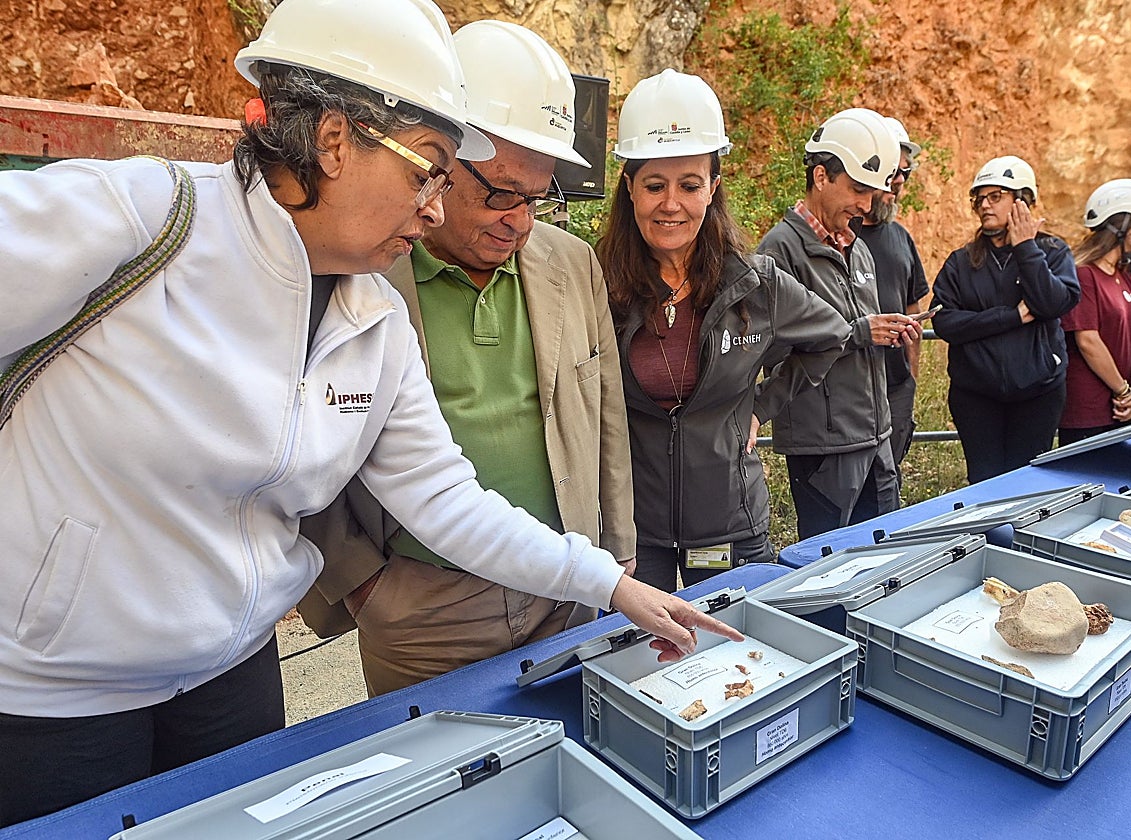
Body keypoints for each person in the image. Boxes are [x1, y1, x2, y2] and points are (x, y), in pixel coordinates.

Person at [0, 0, 739, 825]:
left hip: (231, 682)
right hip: (53, 698)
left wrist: (609, 584)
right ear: (334, 140)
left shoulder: (372, 320)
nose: (435, 208)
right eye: (428, 170)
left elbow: (445, 499)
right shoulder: (137, 222)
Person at [297, 21, 637, 695]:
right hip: (420, 608)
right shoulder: (357, 270)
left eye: (537, 197)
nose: (521, 220)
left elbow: (606, 419)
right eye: (500, 193)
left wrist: (616, 558)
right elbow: (304, 434)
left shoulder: (573, 265)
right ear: (441, 158)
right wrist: (363, 584)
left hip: (564, 592)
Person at [596, 69, 851, 592]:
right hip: (631, 530)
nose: (671, 203)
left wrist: (761, 407)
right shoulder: (598, 284)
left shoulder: (754, 284)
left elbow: (832, 334)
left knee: (730, 639)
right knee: (639, 642)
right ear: (630, 188)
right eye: (654, 185)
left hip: (730, 526)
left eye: (689, 185)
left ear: (713, 188)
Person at [757, 107, 922, 541]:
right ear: (821, 177)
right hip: (823, 448)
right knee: (827, 564)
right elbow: (773, 352)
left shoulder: (858, 248)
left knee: (883, 558)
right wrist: (860, 332)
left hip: (875, 441)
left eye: (872, 192)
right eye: (858, 189)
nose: (866, 205)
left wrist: (886, 332)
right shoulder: (779, 252)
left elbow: (858, 329)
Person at [930, 156, 1080, 482]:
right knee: (983, 482)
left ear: (1022, 200)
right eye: (979, 199)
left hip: (1038, 394)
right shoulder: (961, 262)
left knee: (1026, 483)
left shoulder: (1052, 252)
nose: (985, 205)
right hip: (976, 396)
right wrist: (1010, 317)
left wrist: (1026, 247)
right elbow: (944, 322)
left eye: (995, 196)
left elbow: (1055, 303)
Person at [1058, 179, 1131, 444]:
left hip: (1121, 407)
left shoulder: (1122, 274)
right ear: (1124, 226)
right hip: (1089, 411)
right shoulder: (1084, 274)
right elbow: (1087, 340)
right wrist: (1123, 391)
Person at [858, 116, 929, 475]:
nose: (899, 182)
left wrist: (911, 381)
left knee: (889, 484)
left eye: (905, 173)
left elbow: (913, 312)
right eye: (892, 172)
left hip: (896, 388)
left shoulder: (901, 239)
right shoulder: (837, 235)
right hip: (851, 395)